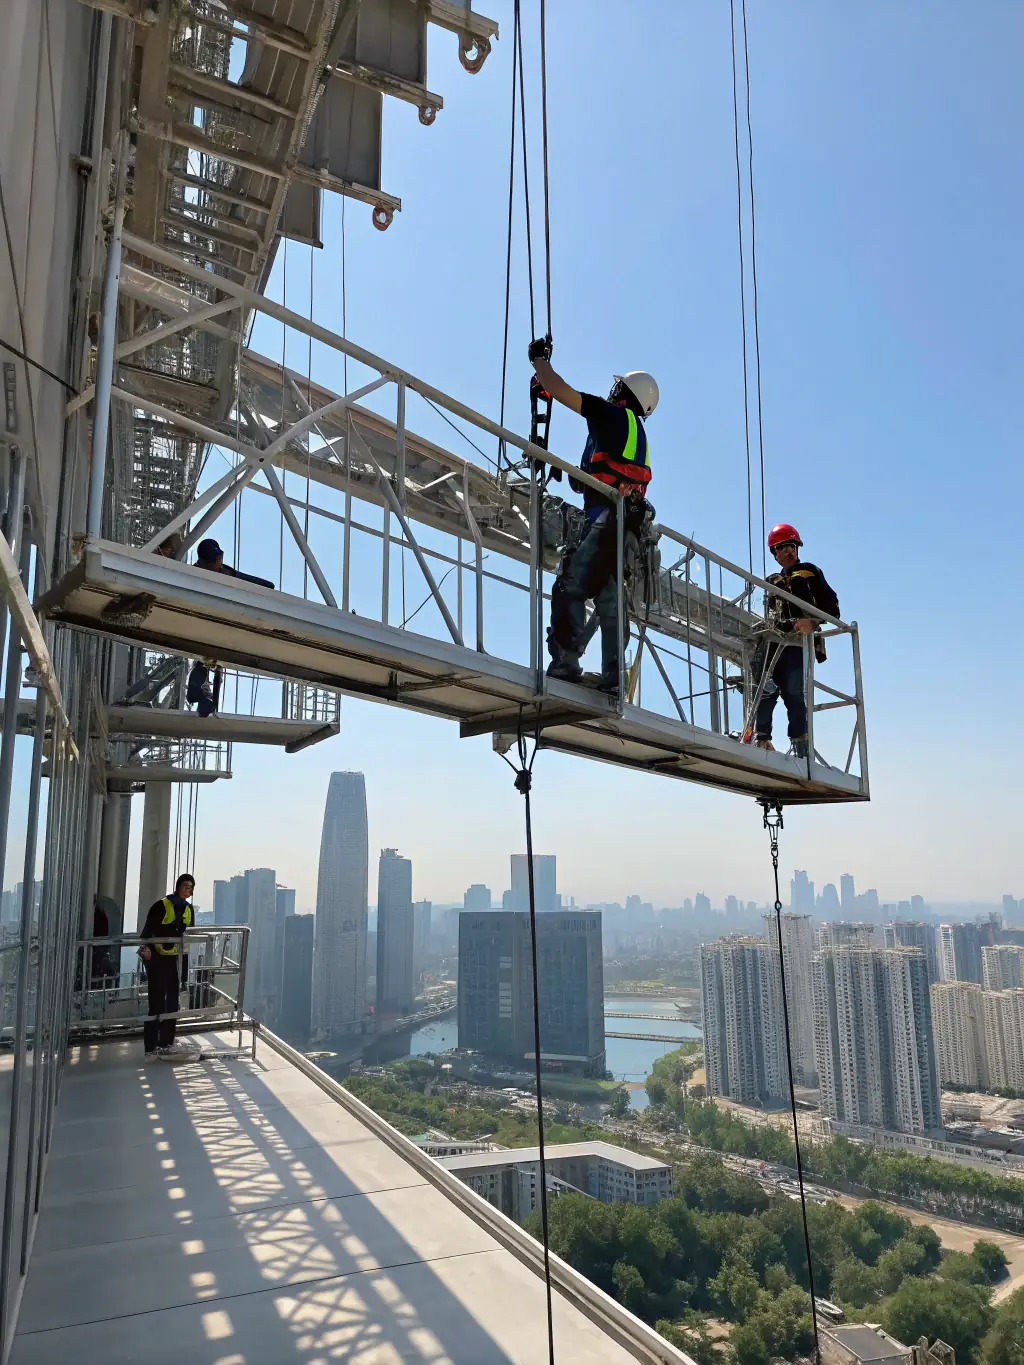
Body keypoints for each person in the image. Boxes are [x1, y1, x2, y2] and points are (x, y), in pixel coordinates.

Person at [528, 339, 659, 693]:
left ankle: (566, 663)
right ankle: (615, 679)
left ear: (623, 391)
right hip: (626, 528)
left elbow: (562, 392)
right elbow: (612, 472)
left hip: (604, 521)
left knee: (569, 585)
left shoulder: (610, 414)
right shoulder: (635, 431)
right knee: (609, 600)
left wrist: (540, 362)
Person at [748, 523, 839, 758]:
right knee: (764, 689)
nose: (785, 553)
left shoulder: (809, 572)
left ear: (796, 548)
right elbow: (769, 614)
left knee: (794, 693)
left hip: (798, 643)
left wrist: (813, 622)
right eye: (779, 549)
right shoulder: (771, 580)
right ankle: (762, 738)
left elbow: (832, 606)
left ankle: (800, 747)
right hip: (775, 638)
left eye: (789, 546)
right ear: (774, 554)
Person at [187, 540, 274, 715]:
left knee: (212, 659)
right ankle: (201, 694)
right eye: (214, 562)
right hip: (206, 624)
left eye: (219, 559)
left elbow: (262, 584)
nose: (218, 564)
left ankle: (204, 697)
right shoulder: (194, 576)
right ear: (204, 562)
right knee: (207, 658)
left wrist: (266, 591)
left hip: (222, 625)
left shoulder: (226, 573)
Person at [139, 873, 195, 1060]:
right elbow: (147, 930)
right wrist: (145, 949)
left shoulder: (188, 909)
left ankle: (167, 1043)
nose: (189, 889)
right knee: (156, 1001)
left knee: (172, 1001)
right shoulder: (162, 905)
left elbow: (187, 936)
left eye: (191, 887)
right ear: (178, 886)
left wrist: (185, 967)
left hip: (173, 959)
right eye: (186, 886)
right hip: (156, 957)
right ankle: (151, 1046)